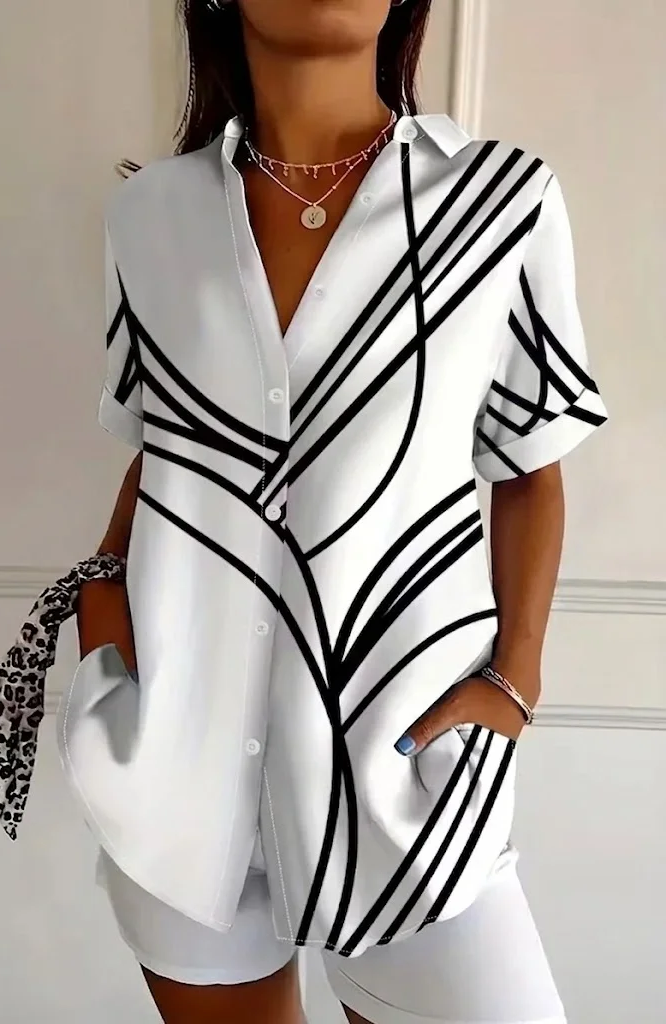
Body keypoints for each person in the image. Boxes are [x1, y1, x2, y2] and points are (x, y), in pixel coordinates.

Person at [73, 1, 609, 1021]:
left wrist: (516, 678)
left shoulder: (499, 202)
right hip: (177, 764)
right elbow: (163, 442)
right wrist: (103, 612)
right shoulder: (148, 217)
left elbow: (530, 469)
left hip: (402, 773)